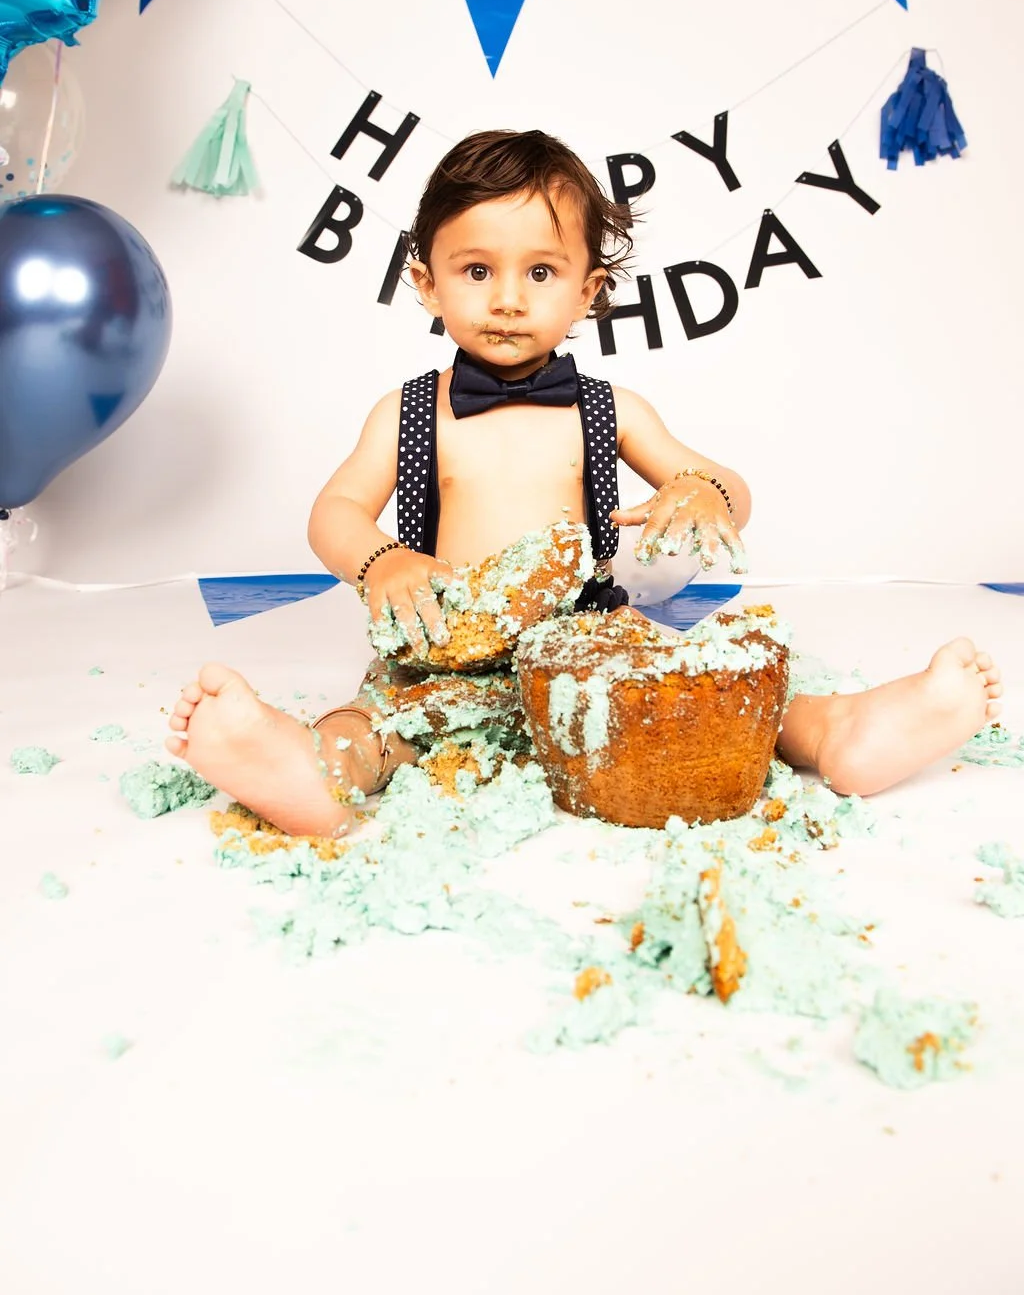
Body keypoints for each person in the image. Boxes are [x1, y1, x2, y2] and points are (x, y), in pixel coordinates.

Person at [165, 130, 1002, 837]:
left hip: (591, 649)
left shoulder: (612, 409)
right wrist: (382, 561)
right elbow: (335, 510)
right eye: (476, 270)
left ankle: (845, 732)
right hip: (441, 660)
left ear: (588, 292)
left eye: (540, 273)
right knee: (384, 724)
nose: (507, 299)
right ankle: (305, 767)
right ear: (425, 282)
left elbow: (725, 484)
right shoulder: (409, 411)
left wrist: (702, 493)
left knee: (703, 704)